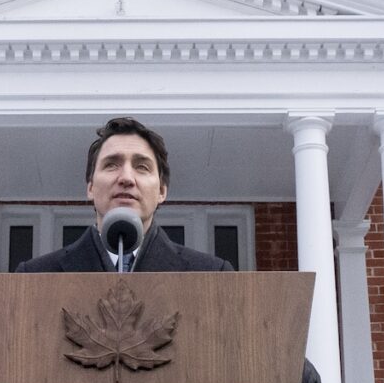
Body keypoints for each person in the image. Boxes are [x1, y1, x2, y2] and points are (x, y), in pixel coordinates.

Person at [15, 117, 229, 274]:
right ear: (90, 187)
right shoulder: (34, 275)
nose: (126, 178)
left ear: (162, 191)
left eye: (142, 167)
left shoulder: (212, 274)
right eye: (111, 165)